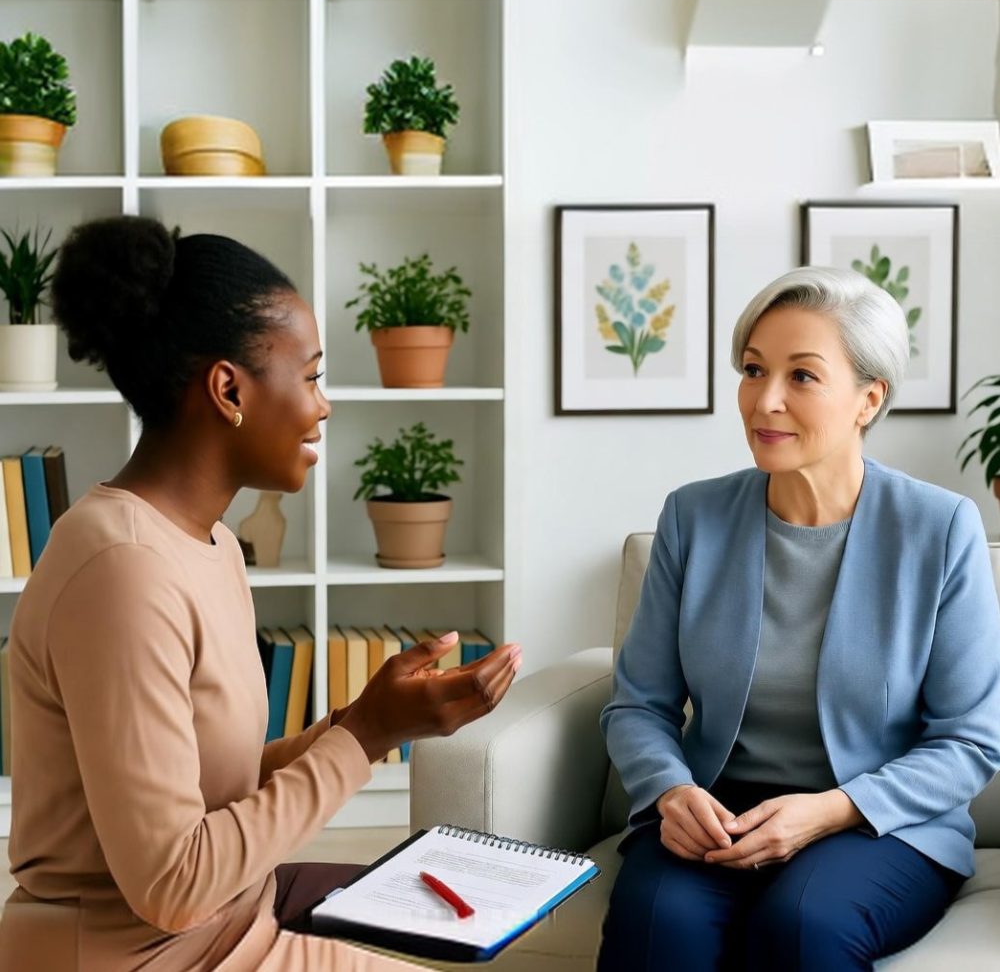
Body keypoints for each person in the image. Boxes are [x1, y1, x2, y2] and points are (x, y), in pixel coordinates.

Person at [0, 216, 522, 972]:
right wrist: (367, 734)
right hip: (142, 954)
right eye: (310, 375)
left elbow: (219, 794)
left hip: (230, 918)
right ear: (227, 389)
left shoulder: (207, 542)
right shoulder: (122, 571)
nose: (324, 404)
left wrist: (366, 718)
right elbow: (173, 883)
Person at [598, 266, 1000, 971]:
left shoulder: (940, 529)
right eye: (753, 370)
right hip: (717, 812)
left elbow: (970, 740)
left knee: (804, 925)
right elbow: (639, 704)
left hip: (877, 825)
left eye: (802, 376)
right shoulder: (693, 517)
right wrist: (670, 789)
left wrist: (834, 810)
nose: (765, 399)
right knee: (658, 922)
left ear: (867, 400)